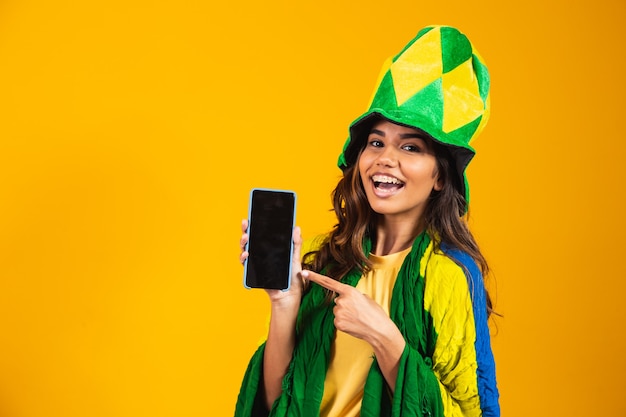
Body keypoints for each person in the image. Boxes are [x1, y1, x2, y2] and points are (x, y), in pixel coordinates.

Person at [235, 25, 500, 417]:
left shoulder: (448, 276)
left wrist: (384, 337)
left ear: (440, 176)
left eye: (410, 146)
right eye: (376, 142)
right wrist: (286, 303)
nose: (385, 158)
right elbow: (276, 402)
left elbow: (471, 412)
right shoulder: (327, 259)